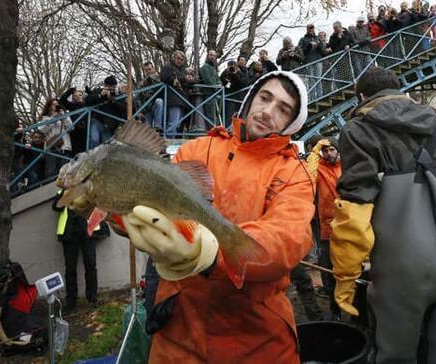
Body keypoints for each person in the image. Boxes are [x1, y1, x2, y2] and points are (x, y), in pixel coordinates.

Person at [121, 70, 314, 362]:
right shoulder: (198, 149)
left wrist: (211, 251)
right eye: (265, 97)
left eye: (283, 109)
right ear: (251, 99)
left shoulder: (293, 173)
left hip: (257, 340)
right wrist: (112, 209)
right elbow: (147, 206)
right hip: (179, 335)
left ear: (291, 124)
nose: (268, 111)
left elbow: (286, 240)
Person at [330, 66, 436, 364]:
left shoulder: (358, 130)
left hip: (400, 271)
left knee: (394, 356)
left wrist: (346, 278)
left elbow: (354, 213)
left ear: (362, 97)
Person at [310, 137, 342, 319]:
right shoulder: (319, 169)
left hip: (347, 229)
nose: (328, 153)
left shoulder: (347, 168)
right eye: (325, 150)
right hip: (326, 230)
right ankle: (335, 311)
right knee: (328, 272)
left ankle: (354, 308)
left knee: (349, 269)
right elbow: (308, 174)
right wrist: (315, 151)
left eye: (331, 150)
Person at [52, 190, 100, 310]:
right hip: (69, 232)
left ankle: (92, 298)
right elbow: (56, 207)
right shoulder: (64, 189)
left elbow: (98, 202)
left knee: (91, 265)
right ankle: (71, 301)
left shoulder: (88, 187)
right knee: (70, 269)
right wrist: (65, 193)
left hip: (87, 231)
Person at [160, 51, 197, 137]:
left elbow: (184, 81)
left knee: (177, 124)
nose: (179, 61)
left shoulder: (183, 70)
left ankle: (172, 142)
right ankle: (169, 143)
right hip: (174, 99)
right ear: (173, 58)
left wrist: (191, 80)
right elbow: (165, 77)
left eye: (182, 59)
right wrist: (185, 78)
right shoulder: (168, 67)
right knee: (173, 123)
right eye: (178, 58)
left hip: (182, 100)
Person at [85, 75, 125, 145]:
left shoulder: (118, 94)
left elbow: (123, 108)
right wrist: (100, 95)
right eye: (108, 87)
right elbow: (88, 101)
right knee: (94, 140)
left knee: (106, 145)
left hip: (110, 125)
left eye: (112, 87)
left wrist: (113, 100)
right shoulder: (98, 91)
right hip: (97, 121)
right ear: (104, 85)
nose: (110, 89)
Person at [138, 61, 165, 132]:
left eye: (149, 69)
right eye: (146, 70)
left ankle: (157, 125)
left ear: (153, 68)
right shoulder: (142, 82)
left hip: (158, 106)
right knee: (147, 132)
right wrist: (140, 111)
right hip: (146, 107)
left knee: (159, 101)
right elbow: (138, 97)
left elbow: (159, 86)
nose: (148, 72)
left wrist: (152, 77)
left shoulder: (160, 77)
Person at [199, 50, 222, 129]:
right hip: (208, 93)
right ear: (207, 56)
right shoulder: (205, 67)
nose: (212, 57)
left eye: (214, 56)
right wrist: (215, 86)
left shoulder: (214, 68)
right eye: (211, 55)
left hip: (215, 93)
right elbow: (207, 80)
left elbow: (218, 79)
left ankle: (214, 129)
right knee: (210, 114)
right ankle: (211, 130)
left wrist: (219, 84)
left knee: (215, 113)